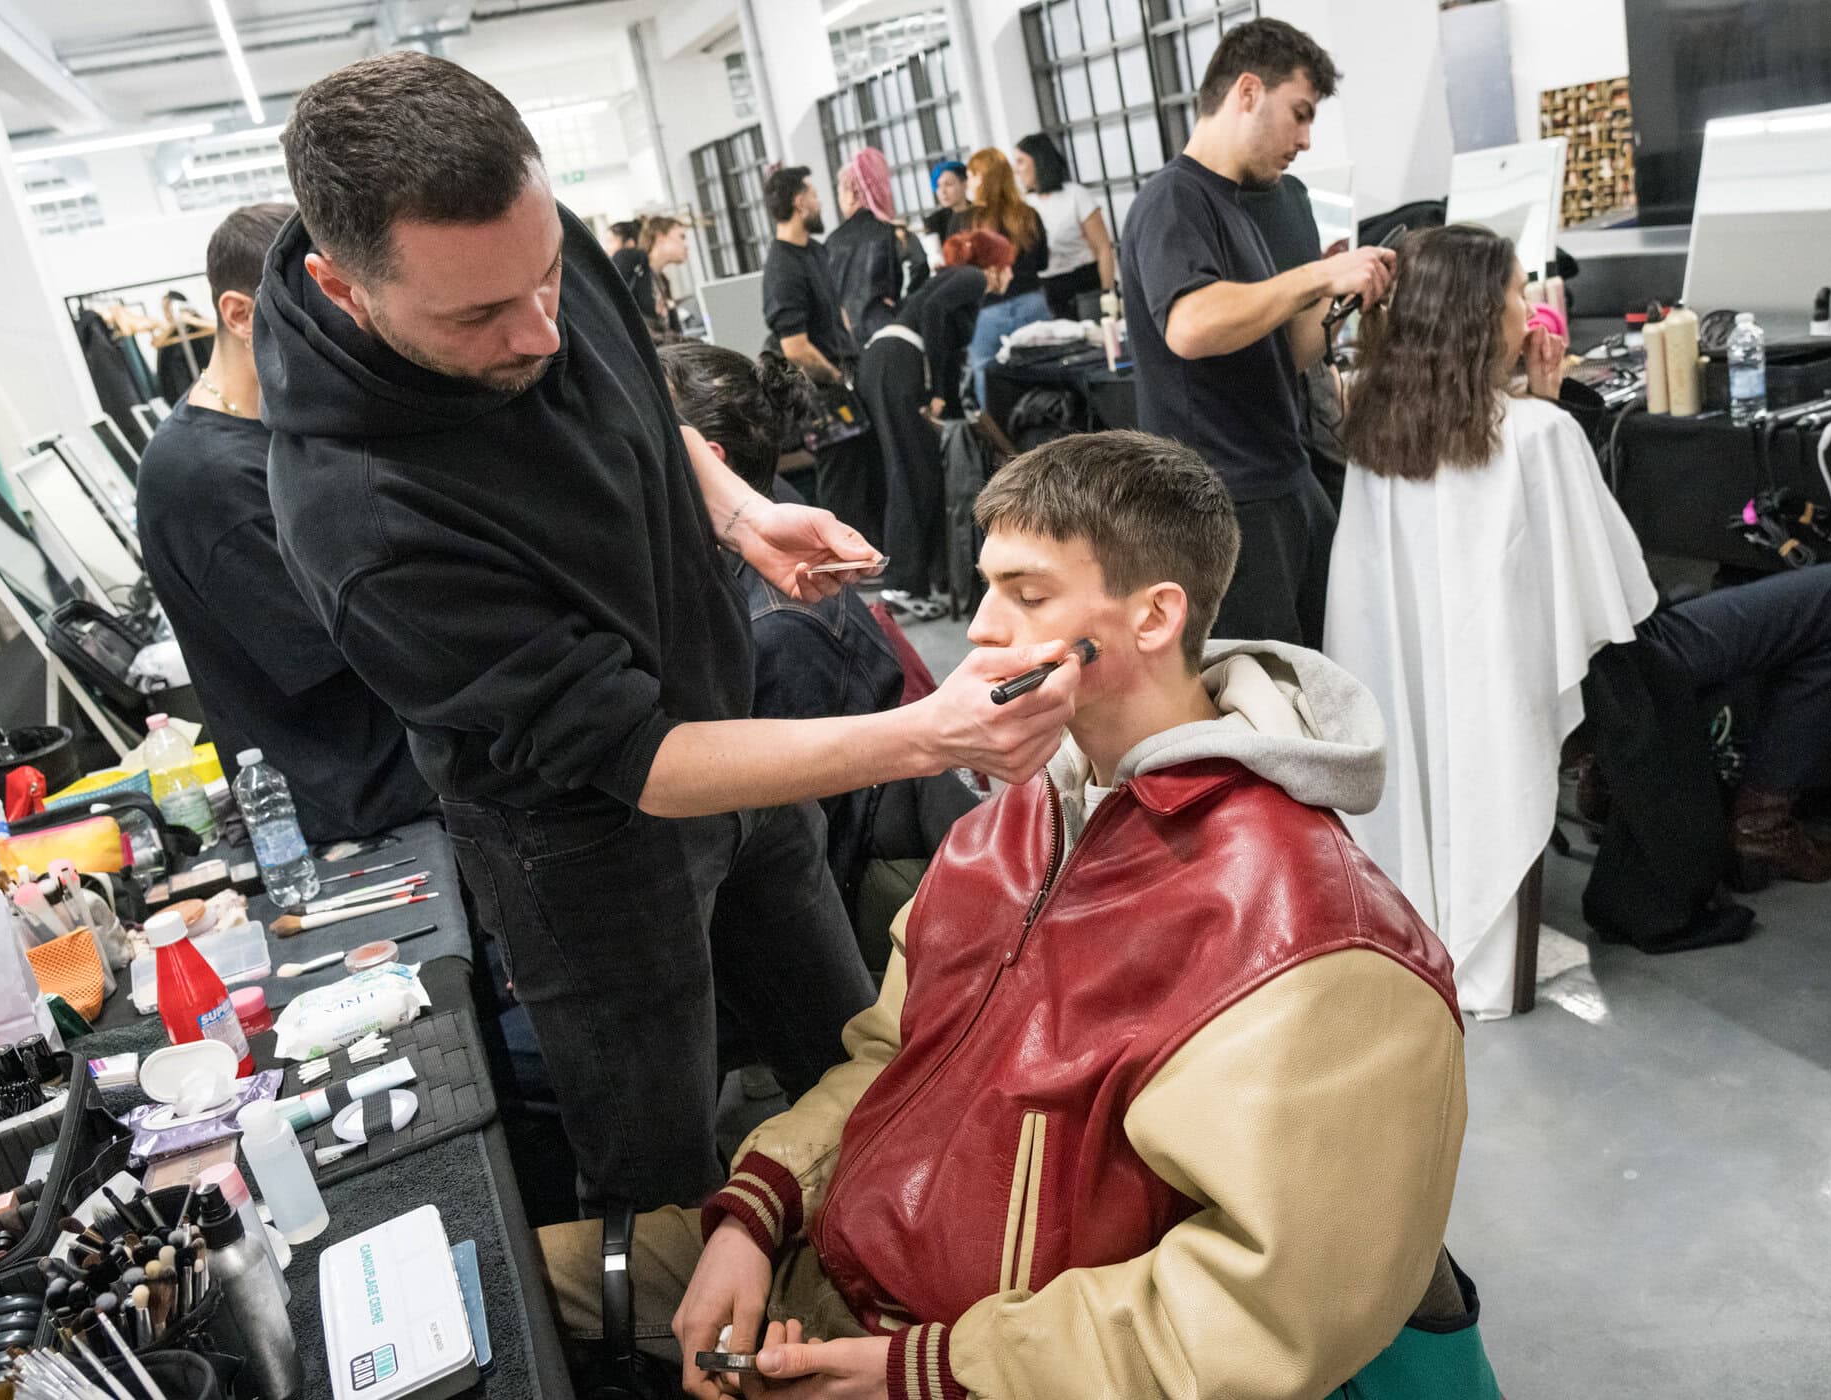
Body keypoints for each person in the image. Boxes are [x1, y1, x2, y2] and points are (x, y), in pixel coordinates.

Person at [258, 52, 1086, 1214]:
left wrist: (740, 510)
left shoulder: (525, 244)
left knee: (859, 1060)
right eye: (482, 315)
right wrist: (928, 733)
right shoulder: (364, 520)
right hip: (588, 846)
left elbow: (627, 380)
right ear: (347, 290)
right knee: (658, 1172)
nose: (540, 332)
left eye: (546, 277)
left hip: (737, 745)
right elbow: (642, 761)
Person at [537, 429, 1480, 1400]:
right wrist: (755, 1206)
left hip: (989, 1358)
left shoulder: (1316, 939)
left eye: (1025, 596)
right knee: (490, 1281)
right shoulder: (1017, 825)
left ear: (1154, 616)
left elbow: (1261, 1312)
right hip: (838, 1258)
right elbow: (889, 1056)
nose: (982, 628)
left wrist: (928, 1369)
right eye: (987, 587)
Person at [1324, 224, 1831, 1012]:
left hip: (1478, 684)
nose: (1530, 310)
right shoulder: (1538, 434)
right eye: (1519, 293)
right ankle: (1765, 815)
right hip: (1617, 665)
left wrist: (1541, 404)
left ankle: (1631, 775)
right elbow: (1621, 605)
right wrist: (1547, 411)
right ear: (1481, 316)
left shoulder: (1380, 438)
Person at [659, 341, 976, 949]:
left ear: (705, 459)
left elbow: (808, 854)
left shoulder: (772, 631)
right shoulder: (767, 521)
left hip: (858, 900)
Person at [136, 202, 435, 843]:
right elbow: (349, 646)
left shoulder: (280, 426)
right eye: (318, 311)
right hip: (358, 793)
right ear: (241, 316)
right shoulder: (204, 477)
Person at [1119, 18, 1393, 647]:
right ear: (1247, 92)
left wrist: (1340, 297)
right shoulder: (1174, 201)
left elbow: (1289, 353)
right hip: (1223, 498)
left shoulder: (1241, 208)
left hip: (1281, 478)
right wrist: (1315, 274)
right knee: (1269, 703)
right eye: (1298, 115)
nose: (1303, 139)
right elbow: (1190, 327)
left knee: (1334, 666)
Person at [858, 228, 1016, 621]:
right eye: (1007, 266)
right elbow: (933, 319)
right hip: (900, 361)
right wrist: (934, 390)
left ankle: (915, 580)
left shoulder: (951, 279)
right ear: (993, 263)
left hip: (886, 360)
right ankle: (903, 583)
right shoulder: (971, 277)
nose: (1010, 276)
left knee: (912, 471)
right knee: (914, 474)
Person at [762, 164, 885, 544]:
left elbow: (837, 312)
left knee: (865, 470)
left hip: (843, 374)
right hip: (822, 391)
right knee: (842, 482)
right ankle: (843, 565)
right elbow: (795, 349)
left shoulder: (815, 250)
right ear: (800, 202)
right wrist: (837, 377)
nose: (820, 203)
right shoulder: (782, 268)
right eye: (814, 195)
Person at [1238, 170, 1352, 510]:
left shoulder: (1293, 194)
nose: (1304, 141)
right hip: (1257, 402)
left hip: (1313, 378)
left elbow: (1315, 305)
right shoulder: (1205, 209)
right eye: (1298, 115)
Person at [961, 146, 1051, 409]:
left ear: (984, 178)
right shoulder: (1027, 214)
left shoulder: (967, 221)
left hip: (987, 311)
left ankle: (1000, 446)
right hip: (1031, 302)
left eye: (972, 175)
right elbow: (1042, 262)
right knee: (1045, 373)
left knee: (986, 378)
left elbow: (960, 272)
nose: (969, 182)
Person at [829, 148, 930, 346]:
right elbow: (921, 267)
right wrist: (902, 306)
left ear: (852, 193)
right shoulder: (896, 233)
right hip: (890, 331)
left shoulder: (832, 242)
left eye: (839, 190)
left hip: (847, 340)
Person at [1013, 133, 1113, 319]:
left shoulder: (1076, 195)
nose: (1016, 170)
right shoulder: (1023, 203)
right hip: (1048, 287)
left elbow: (1103, 248)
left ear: (1038, 161)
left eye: (1020, 162)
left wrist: (1108, 293)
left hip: (1084, 284)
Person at [642, 214, 690, 342]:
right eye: (681, 237)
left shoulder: (662, 281)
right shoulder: (638, 276)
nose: (686, 245)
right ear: (660, 237)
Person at [923, 159, 968, 244]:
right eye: (938, 186)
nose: (942, 191)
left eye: (948, 184)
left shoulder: (981, 214)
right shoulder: (934, 221)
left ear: (964, 184)